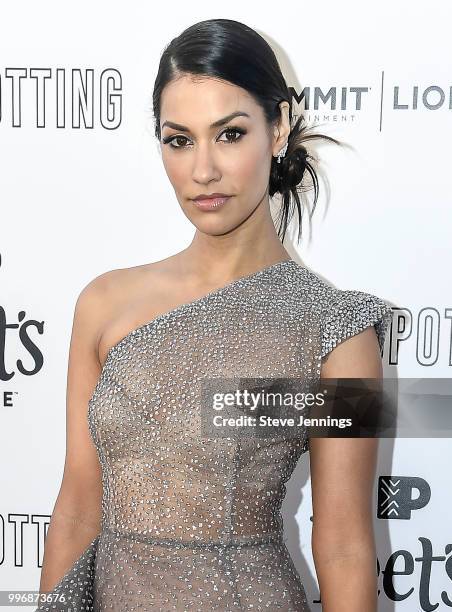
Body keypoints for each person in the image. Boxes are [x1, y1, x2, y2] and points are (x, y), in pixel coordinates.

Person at [35, 18, 392, 612]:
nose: (203, 170)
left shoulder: (338, 334)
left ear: (277, 128)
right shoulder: (105, 304)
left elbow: (345, 548)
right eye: (179, 140)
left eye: (229, 134)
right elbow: (77, 504)